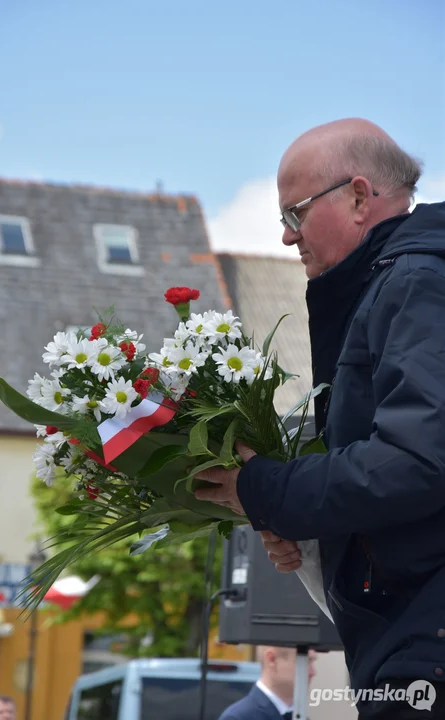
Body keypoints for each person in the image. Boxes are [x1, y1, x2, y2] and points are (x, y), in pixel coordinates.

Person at [195, 118, 445, 719]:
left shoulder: (416, 283)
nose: (286, 237)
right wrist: (309, 537)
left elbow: (416, 462)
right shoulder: (398, 281)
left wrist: (263, 488)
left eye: (295, 213)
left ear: (359, 198)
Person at [218, 646, 317, 720]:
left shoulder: (299, 715)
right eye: (304, 662)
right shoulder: (239, 717)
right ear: (271, 659)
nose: (312, 672)